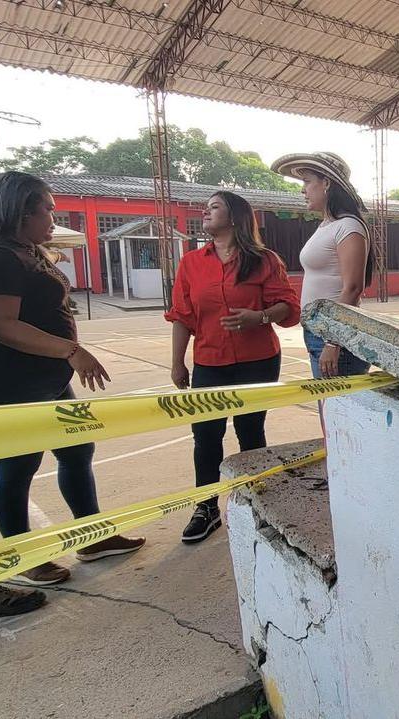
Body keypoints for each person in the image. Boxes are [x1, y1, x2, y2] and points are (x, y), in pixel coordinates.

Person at [0, 171, 144, 616]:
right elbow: (0, 323)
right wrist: (71, 350)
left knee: (76, 449)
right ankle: (24, 555)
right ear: (21, 211)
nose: (54, 218)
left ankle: (92, 536)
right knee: (17, 468)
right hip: (11, 383)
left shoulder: (27, 251)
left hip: (47, 377)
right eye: (48, 210)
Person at [166, 191, 300, 543]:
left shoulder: (265, 260)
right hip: (210, 362)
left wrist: (260, 316)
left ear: (235, 217)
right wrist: (177, 362)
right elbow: (182, 315)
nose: (205, 212)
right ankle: (206, 507)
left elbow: (287, 305)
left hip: (258, 361)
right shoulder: (191, 263)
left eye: (214, 207)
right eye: (206, 207)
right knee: (205, 435)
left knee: (250, 430)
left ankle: (256, 498)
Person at [270, 152, 372, 379]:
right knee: (327, 401)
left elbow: (353, 288)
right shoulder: (327, 226)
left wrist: (333, 341)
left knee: (337, 402)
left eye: (307, 181)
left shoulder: (348, 226)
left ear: (326, 183)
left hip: (334, 338)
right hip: (318, 332)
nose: (303, 190)